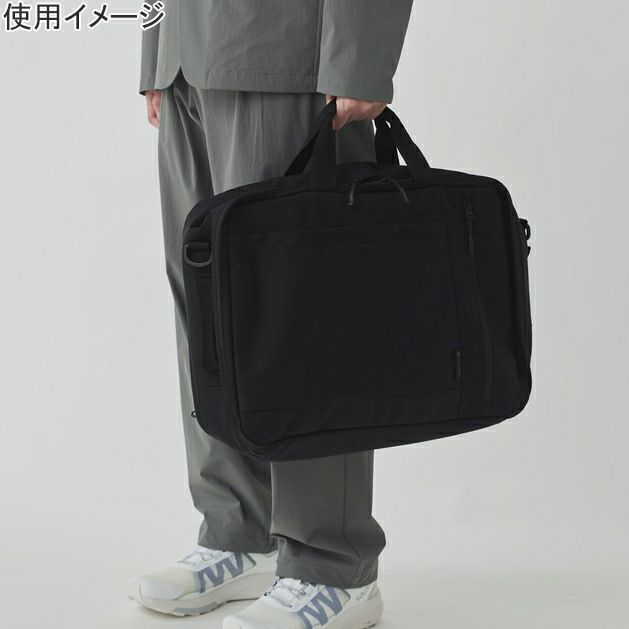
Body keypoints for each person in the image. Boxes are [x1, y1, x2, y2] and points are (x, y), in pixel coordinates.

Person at [129, 2, 414, 627]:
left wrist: (361, 59)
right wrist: (156, 57)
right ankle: (239, 532)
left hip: (289, 56)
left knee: (300, 310)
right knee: (208, 307)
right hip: (185, 60)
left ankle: (332, 565)